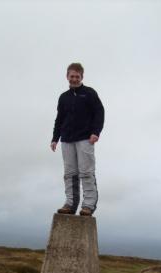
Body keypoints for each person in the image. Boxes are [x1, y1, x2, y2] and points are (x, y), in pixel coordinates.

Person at [50, 62, 105, 216]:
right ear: (67, 76)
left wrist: (96, 132)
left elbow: (99, 113)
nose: (74, 79)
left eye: (77, 76)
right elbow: (59, 119)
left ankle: (88, 205)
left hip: (85, 139)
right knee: (69, 173)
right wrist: (55, 138)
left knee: (86, 172)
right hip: (66, 139)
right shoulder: (63, 98)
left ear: (82, 76)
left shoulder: (89, 93)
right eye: (71, 76)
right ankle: (70, 204)